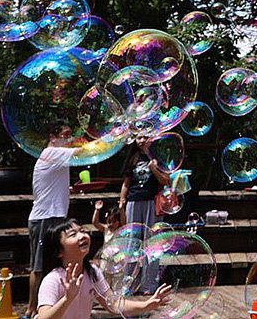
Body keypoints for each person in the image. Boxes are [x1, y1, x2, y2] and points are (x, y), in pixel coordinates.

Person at [36, 219, 172, 319]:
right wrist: (68, 298)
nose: (82, 235)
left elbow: (113, 304)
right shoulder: (53, 280)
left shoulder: (92, 272)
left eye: (82, 231)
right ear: (59, 251)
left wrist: (147, 305)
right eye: (73, 234)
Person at [27, 125, 78, 318]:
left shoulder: (56, 156)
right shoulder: (52, 152)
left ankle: (48, 306)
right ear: (52, 137)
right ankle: (32, 309)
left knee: (52, 264)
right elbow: (85, 151)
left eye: (69, 135)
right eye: (65, 135)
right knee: (38, 267)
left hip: (54, 216)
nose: (69, 139)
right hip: (45, 218)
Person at [119, 137, 167, 228]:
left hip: (152, 200)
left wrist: (154, 169)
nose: (142, 140)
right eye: (139, 138)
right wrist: (122, 199)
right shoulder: (133, 158)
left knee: (151, 234)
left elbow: (164, 181)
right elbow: (126, 183)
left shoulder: (158, 157)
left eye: (145, 137)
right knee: (133, 233)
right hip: (133, 200)